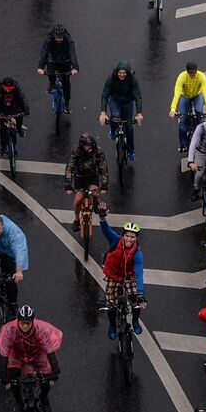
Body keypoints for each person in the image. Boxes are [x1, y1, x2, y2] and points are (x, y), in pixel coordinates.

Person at [0, 305, 62, 412]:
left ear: (32, 321)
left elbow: (50, 351)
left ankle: (44, 398)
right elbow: (4, 353)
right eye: (23, 323)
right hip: (17, 355)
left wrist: (55, 371)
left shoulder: (41, 329)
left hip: (38, 355)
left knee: (47, 378)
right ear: (18, 320)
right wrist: (4, 375)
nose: (25, 326)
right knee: (12, 378)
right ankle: (18, 401)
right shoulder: (9, 330)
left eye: (28, 323)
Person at [95, 207, 145, 337]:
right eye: (127, 236)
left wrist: (140, 293)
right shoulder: (116, 240)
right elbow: (106, 230)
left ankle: (135, 321)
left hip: (128, 277)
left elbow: (139, 273)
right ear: (123, 235)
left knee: (135, 300)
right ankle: (112, 325)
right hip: (112, 276)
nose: (129, 239)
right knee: (110, 305)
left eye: (132, 237)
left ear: (136, 238)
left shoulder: (137, 253)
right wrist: (102, 218)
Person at [99, 62, 144, 158]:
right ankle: (112, 131)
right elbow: (105, 94)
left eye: (124, 73)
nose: (122, 75)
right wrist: (103, 112)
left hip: (128, 101)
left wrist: (139, 113)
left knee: (129, 127)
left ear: (128, 73)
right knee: (115, 116)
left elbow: (138, 96)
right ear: (117, 72)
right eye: (120, 73)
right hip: (114, 99)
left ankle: (131, 151)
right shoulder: (111, 78)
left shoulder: (133, 80)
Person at [65, 134, 108, 227]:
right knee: (78, 199)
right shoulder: (76, 152)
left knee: (95, 193)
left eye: (90, 145)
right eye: (86, 146)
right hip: (79, 178)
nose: (88, 147)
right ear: (82, 146)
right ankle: (76, 219)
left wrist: (104, 184)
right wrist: (68, 184)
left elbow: (103, 168)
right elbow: (70, 167)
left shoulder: (98, 151)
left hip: (93, 177)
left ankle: (95, 201)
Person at [0, 76, 29, 156]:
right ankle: (3, 148)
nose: (8, 90)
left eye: (10, 88)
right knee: (3, 129)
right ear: (3, 86)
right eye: (6, 88)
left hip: (15, 108)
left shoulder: (17, 89)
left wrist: (26, 110)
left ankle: (19, 130)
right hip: (2, 110)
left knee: (19, 118)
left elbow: (23, 98)